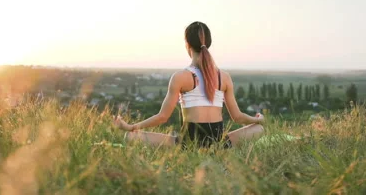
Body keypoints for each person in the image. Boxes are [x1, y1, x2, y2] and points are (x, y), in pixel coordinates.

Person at [113, 21, 265, 149]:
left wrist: (131, 127)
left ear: (187, 44)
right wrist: (257, 120)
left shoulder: (180, 77)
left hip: (188, 145)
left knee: (130, 136)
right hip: (219, 144)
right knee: (259, 129)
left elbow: (162, 117)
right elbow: (238, 117)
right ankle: (220, 150)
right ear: (209, 44)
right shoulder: (224, 77)